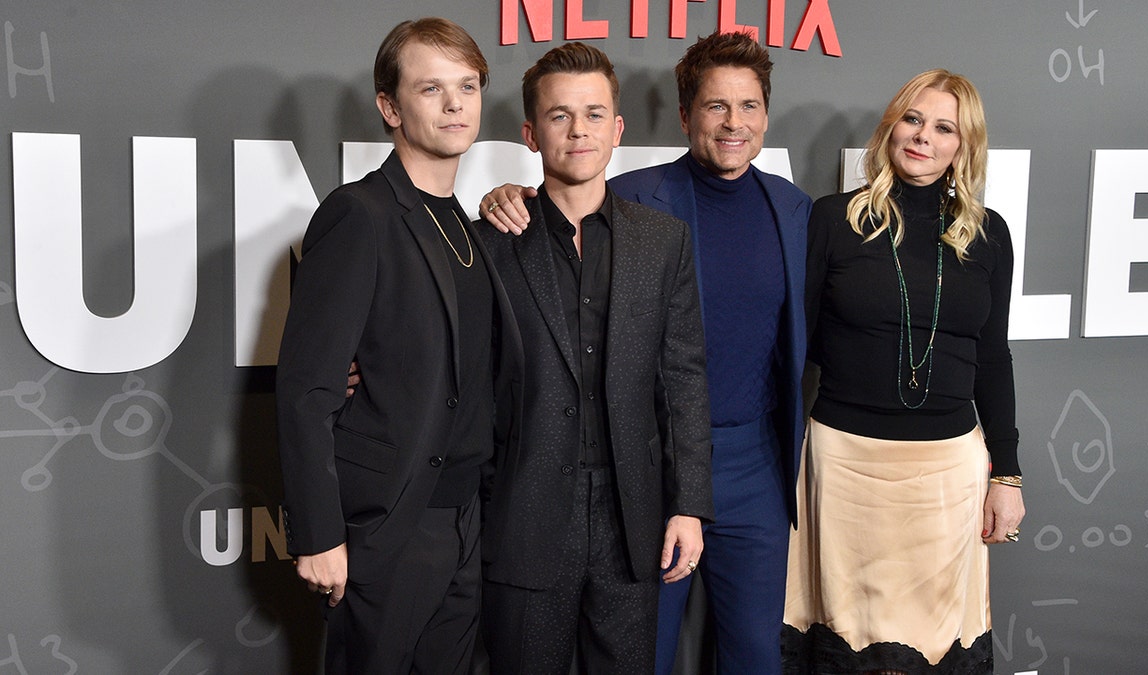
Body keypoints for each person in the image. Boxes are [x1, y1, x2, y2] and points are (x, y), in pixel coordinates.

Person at [481, 31, 810, 675]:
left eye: (748, 106)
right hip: (644, 464)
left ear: (766, 115)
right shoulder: (632, 194)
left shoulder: (794, 210)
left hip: (754, 462)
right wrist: (506, 197)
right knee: (641, 652)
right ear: (685, 115)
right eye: (716, 105)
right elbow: (563, 207)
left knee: (753, 653)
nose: (734, 122)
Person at [274, 18, 522, 674]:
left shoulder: (470, 228)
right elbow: (307, 389)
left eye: (467, 87)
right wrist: (320, 534)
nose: (454, 104)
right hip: (389, 524)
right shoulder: (361, 213)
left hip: (467, 516)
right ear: (390, 107)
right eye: (431, 88)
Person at [474, 42, 713, 674]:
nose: (579, 130)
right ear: (531, 134)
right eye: (559, 116)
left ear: (618, 129)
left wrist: (688, 502)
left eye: (595, 114)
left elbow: (684, 377)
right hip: (523, 509)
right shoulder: (493, 241)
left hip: (632, 513)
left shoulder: (663, 241)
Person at [785, 69, 1026, 674]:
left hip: (948, 474)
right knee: (845, 638)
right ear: (890, 126)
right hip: (843, 467)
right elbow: (795, 346)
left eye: (944, 127)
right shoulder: (832, 219)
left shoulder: (989, 235)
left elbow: (992, 359)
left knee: (936, 645)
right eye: (912, 119)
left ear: (963, 146)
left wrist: (1009, 476)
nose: (923, 137)